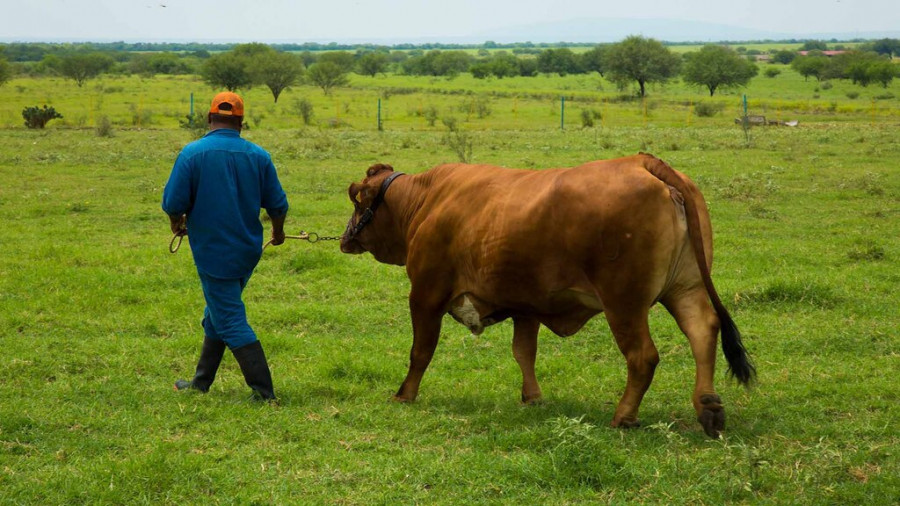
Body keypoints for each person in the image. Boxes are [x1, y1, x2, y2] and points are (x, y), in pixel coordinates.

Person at [162, 91, 289, 400]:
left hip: (213, 252)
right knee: (216, 313)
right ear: (241, 123)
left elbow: (173, 203)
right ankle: (200, 383)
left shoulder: (192, 154)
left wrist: (176, 224)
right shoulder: (259, 156)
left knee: (229, 318)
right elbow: (278, 204)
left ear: (208, 119)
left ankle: (265, 393)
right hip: (248, 251)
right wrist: (278, 231)